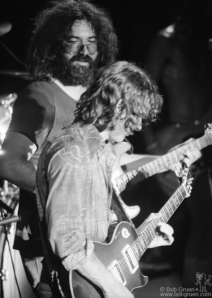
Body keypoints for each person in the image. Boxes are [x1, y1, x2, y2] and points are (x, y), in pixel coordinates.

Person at [0, 0, 118, 297]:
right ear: (55, 46)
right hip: (48, 245)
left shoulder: (93, 98)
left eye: (92, 42)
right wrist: (67, 197)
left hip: (90, 241)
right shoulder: (41, 96)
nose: (85, 51)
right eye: (73, 42)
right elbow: (9, 162)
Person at [36, 61, 176, 298]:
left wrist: (141, 239)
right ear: (117, 105)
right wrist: (114, 288)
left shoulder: (97, 151)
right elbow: (68, 242)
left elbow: (97, 239)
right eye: (135, 115)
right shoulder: (73, 153)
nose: (139, 125)